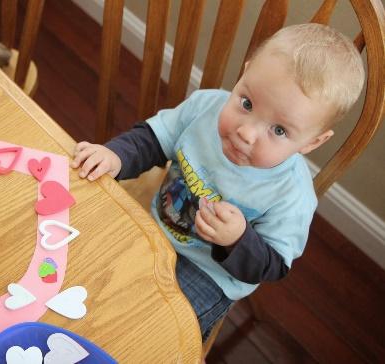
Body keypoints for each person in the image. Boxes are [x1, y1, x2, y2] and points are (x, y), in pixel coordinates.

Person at [71, 23, 365, 341]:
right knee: (83, 270)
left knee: (155, 336)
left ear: (312, 142)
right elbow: (155, 139)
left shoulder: (292, 195)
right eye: (247, 103)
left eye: (279, 130)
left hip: (209, 274)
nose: (246, 132)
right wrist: (116, 156)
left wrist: (237, 239)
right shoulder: (206, 107)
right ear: (244, 74)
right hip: (153, 225)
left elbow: (273, 265)